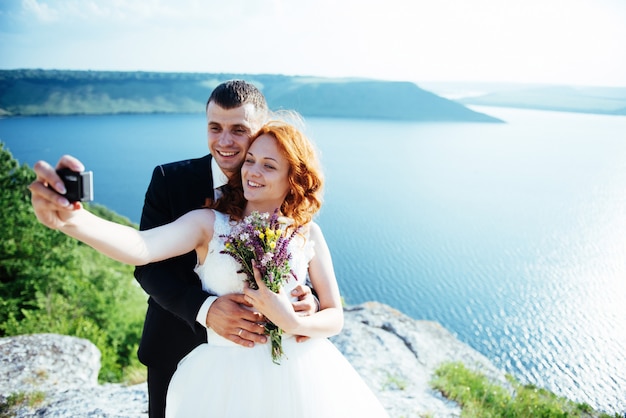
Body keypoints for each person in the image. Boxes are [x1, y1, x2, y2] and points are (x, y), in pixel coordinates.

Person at [30, 119, 389, 417]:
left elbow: (334, 316)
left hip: (302, 377)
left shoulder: (306, 233)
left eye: (269, 165)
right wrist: (71, 222)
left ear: (293, 178)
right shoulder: (208, 223)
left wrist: (294, 322)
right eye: (250, 160)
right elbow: (141, 247)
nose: (252, 171)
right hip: (224, 381)